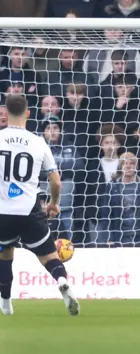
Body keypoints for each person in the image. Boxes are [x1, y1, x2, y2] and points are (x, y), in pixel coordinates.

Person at [0, 94, 79, 316]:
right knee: (49, 257)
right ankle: (62, 280)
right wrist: (53, 204)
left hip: (3, 212)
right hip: (30, 211)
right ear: (28, 113)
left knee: (5, 255)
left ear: (5, 114)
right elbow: (55, 180)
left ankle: (6, 303)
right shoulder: (38, 142)